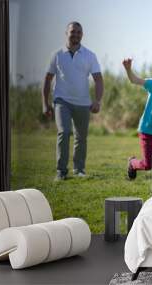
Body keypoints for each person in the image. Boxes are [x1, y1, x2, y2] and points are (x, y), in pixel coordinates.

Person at [42, 21, 104, 181]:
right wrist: (45, 103)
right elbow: (48, 79)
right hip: (61, 100)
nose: (75, 34)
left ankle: (79, 169)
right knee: (64, 132)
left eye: (78, 32)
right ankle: (61, 171)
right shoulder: (57, 54)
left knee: (81, 137)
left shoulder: (90, 55)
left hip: (83, 102)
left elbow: (98, 79)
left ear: (82, 35)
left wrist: (97, 100)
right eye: (72, 32)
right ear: (66, 33)